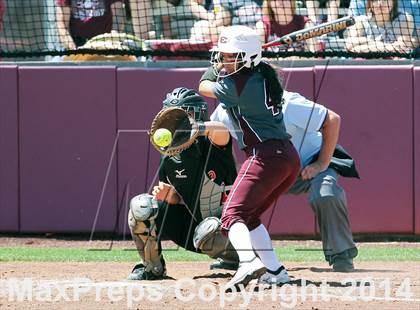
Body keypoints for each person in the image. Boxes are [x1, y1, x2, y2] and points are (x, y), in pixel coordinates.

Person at [211, 89, 359, 272]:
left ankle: (341, 255)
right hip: (272, 169)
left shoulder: (287, 103)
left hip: (310, 164)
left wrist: (321, 163)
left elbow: (332, 119)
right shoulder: (224, 111)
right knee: (232, 201)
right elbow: (216, 140)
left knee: (326, 194)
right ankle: (235, 256)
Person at [199, 25, 301, 291]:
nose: (223, 60)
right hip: (286, 157)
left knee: (231, 215)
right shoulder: (261, 74)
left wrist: (215, 69)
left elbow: (203, 86)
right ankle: (277, 271)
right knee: (249, 217)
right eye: (223, 55)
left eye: (231, 56)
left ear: (248, 57)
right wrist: (231, 60)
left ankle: (247, 262)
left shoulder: (238, 84)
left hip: (264, 156)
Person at [127, 87, 239, 280]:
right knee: (141, 206)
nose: (176, 121)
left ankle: (243, 259)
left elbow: (222, 132)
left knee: (208, 230)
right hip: (195, 233)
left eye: (183, 114)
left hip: (232, 231)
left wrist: (197, 128)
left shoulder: (212, 143)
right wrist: (172, 198)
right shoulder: (170, 156)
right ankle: (152, 268)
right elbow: (184, 201)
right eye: (171, 114)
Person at [345, 0, 415, 53]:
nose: (380, 3)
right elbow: (350, 46)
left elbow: (402, 47)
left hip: (393, 65)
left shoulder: (405, 18)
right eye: (375, 0)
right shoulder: (360, 21)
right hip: (365, 64)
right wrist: (388, 46)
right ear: (370, 4)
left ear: (393, 3)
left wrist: (365, 44)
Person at [256, 0, 322, 53]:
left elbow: (314, 55)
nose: (280, 2)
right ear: (269, 3)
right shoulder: (262, 25)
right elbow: (259, 57)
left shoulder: (306, 24)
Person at [56, 0, 127, 49]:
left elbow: (118, 15)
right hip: (77, 44)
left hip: (105, 44)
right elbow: (63, 26)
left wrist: (112, 40)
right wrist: (72, 48)